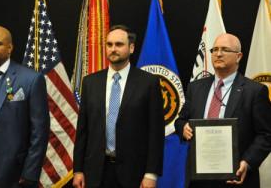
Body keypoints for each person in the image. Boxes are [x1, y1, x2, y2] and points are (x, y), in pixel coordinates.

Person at [73, 25, 165, 188]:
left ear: (131, 48)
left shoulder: (148, 83)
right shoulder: (90, 82)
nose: (113, 49)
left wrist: (151, 173)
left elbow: (155, 132)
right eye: (109, 44)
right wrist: (78, 170)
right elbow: (83, 130)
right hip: (95, 172)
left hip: (134, 173)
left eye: (119, 44)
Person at [175, 33, 271, 188]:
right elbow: (181, 120)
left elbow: (266, 134)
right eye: (215, 49)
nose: (218, 54)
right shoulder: (196, 87)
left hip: (236, 178)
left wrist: (247, 162)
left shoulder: (255, 91)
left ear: (238, 56)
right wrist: (183, 128)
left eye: (225, 50)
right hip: (199, 179)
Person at [0, 25, 50, 188]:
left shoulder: (31, 80)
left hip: (13, 172)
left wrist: (30, 172)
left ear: (9, 48)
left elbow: (39, 131)